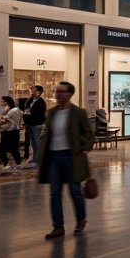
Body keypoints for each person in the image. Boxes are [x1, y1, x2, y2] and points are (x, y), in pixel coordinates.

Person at [39, 81, 93, 238]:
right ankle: (58, 226)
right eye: (57, 91)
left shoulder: (78, 112)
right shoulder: (52, 113)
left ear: (69, 94)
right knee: (54, 193)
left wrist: (85, 149)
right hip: (54, 157)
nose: (58, 94)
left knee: (75, 190)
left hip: (71, 157)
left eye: (62, 91)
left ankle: (81, 219)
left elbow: (89, 133)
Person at [0, 96, 23, 172]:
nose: (1, 103)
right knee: (4, 148)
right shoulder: (7, 109)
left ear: (6, 102)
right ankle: (7, 163)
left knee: (13, 148)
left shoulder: (13, 110)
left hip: (12, 131)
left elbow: (5, 119)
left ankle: (17, 163)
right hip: (7, 131)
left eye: (2, 101)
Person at [24, 85, 47, 167]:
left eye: (33, 90)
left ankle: (37, 158)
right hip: (29, 123)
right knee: (32, 142)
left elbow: (40, 114)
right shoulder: (30, 99)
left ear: (38, 92)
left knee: (36, 141)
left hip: (36, 124)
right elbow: (26, 108)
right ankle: (34, 157)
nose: (32, 91)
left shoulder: (41, 102)